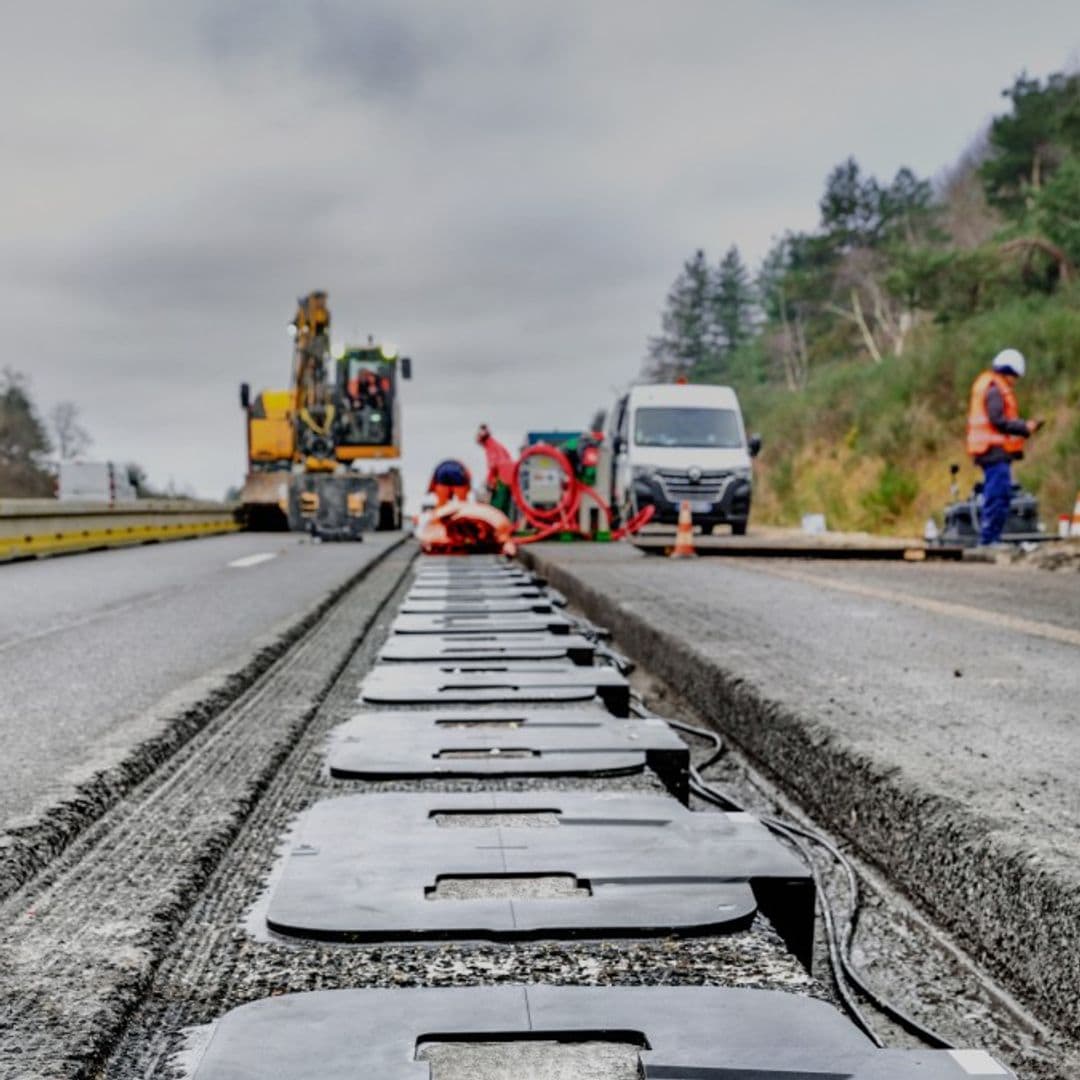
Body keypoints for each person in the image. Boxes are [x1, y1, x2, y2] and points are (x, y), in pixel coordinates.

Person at [966, 349, 1043, 547]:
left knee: (1000, 493)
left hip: (991, 450)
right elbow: (998, 421)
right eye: (1014, 376)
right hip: (992, 451)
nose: (1014, 381)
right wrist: (1024, 427)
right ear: (1008, 371)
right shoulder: (994, 390)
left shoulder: (992, 386)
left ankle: (991, 537)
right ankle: (989, 539)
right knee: (997, 494)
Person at [476, 423, 515, 515]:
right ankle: (505, 524)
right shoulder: (496, 445)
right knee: (505, 503)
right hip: (508, 476)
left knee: (498, 505)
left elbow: (493, 465)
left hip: (502, 477)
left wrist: (489, 481)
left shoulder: (491, 446)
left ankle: (498, 525)